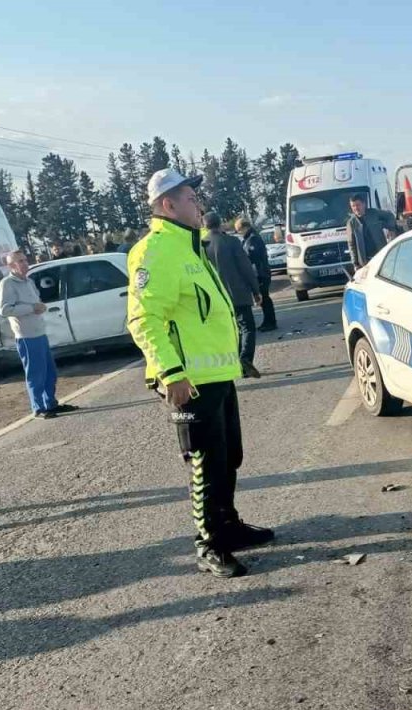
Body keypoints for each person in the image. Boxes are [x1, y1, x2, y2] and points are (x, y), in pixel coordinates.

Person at [126, 168, 273, 578]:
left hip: (215, 374)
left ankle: (228, 525)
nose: (199, 205)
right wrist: (170, 372)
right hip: (188, 380)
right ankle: (207, 543)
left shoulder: (191, 246)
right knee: (205, 463)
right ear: (167, 205)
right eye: (191, 198)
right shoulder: (154, 251)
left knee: (229, 458)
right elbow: (144, 319)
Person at [0, 250, 78, 420]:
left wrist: (39, 306)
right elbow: (4, 310)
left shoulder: (29, 281)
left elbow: (36, 302)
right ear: (11, 266)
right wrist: (31, 308)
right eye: (20, 261)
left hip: (39, 332)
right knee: (36, 373)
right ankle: (38, 407)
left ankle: (50, 403)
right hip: (26, 336)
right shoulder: (8, 284)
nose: (25, 263)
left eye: (25, 260)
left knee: (50, 371)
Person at [203, 211, 262, 378]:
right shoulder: (231, 241)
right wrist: (256, 290)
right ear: (220, 223)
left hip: (216, 298)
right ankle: (245, 360)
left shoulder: (201, 245)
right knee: (247, 328)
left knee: (229, 331)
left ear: (204, 225)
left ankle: (234, 364)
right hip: (238, 294)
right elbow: (245, 268)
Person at [237, 217, 277, 332]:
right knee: (264, 299)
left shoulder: (253, 239)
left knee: (264, 298)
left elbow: (252, 256)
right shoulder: (249, 238)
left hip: (260, 273)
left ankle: (270, 322)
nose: (239, 233)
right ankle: (267, 321)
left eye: (239, 230)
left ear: (245, 227)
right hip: (260, 272)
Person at [346, 195, 398, 271]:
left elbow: (390, 216)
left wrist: (391, 228)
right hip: (365, 262)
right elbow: (351, 245)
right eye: (353, 206)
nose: (356, 208)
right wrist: (355, 264)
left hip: (381, 255)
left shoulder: (373, 213)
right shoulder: (351, 223)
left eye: (358, 205)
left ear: (364, 204)